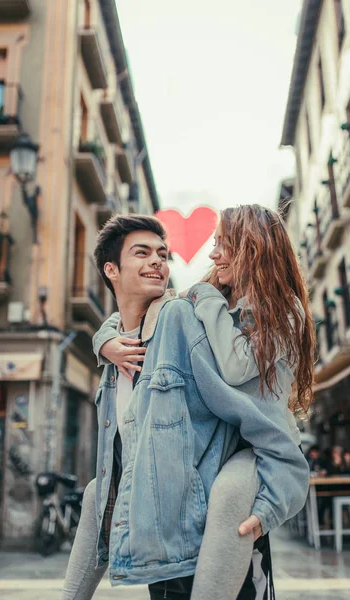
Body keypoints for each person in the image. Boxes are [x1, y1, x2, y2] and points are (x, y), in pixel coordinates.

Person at [63, 208, 313, 600]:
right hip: (166, 526)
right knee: (100, 490)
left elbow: (236, 374)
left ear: (253, 249)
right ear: (111, 270)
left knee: (231, 504)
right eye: (142, 253)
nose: (159, 262)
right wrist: (104, 339)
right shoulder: (123, 354)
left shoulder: (202, 319)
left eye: (162, 253)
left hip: (234, 472)